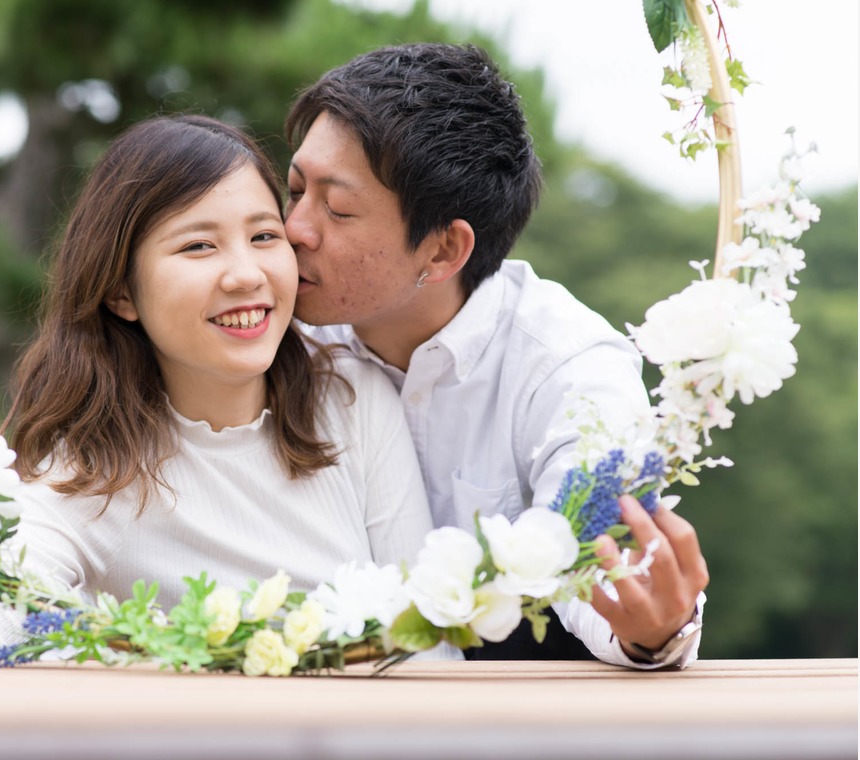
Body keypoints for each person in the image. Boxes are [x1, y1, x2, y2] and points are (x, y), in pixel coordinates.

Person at [0, 114, 436, 659]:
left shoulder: (352, 400)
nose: (245, 274)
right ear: (121, 292)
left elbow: (426, 639)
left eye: (264, 236)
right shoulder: (84, 475)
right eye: (198, 247)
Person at [283, 43, 708, 668]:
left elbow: (605, 575)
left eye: (338, 209)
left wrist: (654, 631)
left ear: (443, 250)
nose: (295, 228)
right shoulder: (274, 338)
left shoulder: (568, 367)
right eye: (294, 190)